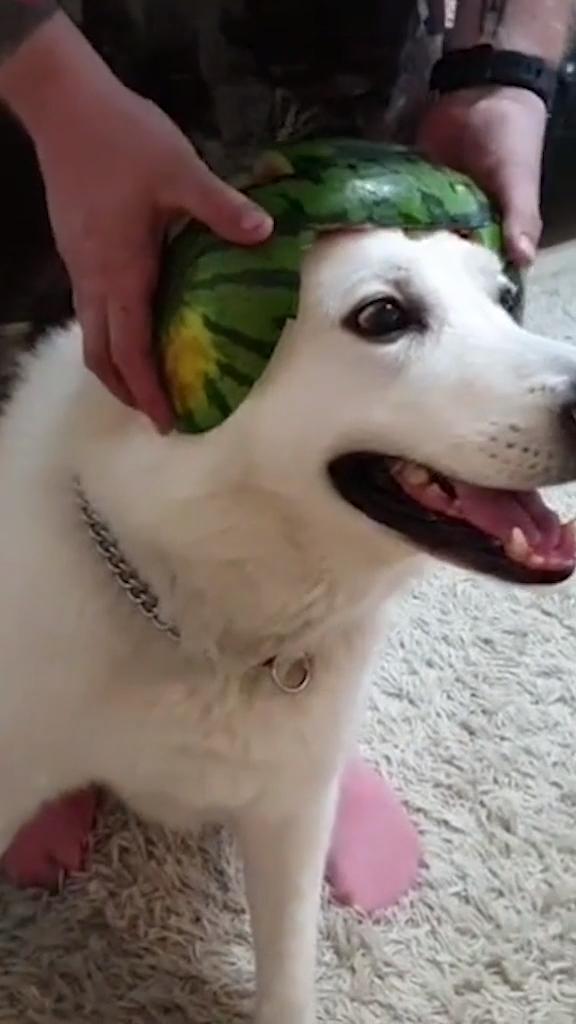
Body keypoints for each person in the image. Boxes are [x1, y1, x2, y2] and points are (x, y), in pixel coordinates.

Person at [0, 0, 572, 909]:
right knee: (102, 320)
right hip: (81, 37)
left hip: (350, 48)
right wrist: (51, 83)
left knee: (347, 376)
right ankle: (58, 740)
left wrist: (510, 68)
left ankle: (304, 743)